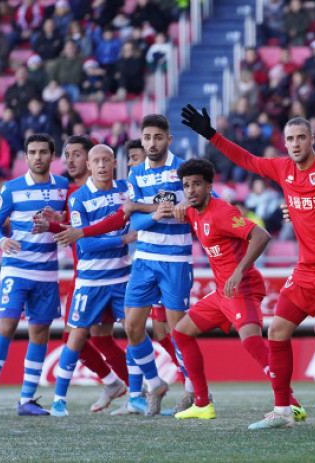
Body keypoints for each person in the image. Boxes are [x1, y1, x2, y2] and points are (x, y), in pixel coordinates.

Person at [181, 105, 315, 430]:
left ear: (313, 139)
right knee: (276, 331)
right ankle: (283, 410)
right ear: (285, 143)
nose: (296, 143)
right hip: (306, 268)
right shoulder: (281, 168)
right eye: (291, 139)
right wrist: (211, 135)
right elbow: (246, 160)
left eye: (302, 137)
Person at [171, 159, 305, 421]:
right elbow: (176, 207)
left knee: (252, 341)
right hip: (222, 293)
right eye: (186, 186)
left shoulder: (222, 212)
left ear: (210, 187)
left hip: (241, 287)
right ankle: (201, 403)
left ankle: (292, 403)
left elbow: (261, 235)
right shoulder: (193, 210)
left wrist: (239, 270)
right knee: (181, 332)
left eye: (197, 184)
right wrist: (179, 204)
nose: (191, 190)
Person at [34, 135, 132, 413]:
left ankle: (134, 388)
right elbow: (77, 231)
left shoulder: (116, 189)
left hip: (112, 272)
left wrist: (60, 224)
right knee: (79, 337)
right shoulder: (70, 193)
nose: (70, 160)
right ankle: (116, 382)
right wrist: (53, 224)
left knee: (108, 335)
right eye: (67, 155)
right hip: (87, 274)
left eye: (76, 154)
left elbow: (84, 230)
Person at [0, 133, 68, 416]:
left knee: (40, 332)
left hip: (47, 272)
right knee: (7, 325)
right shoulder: (11, 189)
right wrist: (1, 241)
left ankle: (27, 400)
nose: (37, 157)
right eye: (32, 152)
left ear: (52, 156)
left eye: (42, 152)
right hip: (16, 268)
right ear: (25, 157)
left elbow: (72, 221)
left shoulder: (64, 188)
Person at [124, 114, 195, 416]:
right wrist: (153, 212)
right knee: (132, 327)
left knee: (178, 331)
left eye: (158, 137)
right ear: (142, 140)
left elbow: (201, 203)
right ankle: (155, 383)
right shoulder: (135, 174)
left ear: (169, 139)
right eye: (147, 138)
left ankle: (194, 390)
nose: (152, 143)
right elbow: (133, 218)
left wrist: (144, 207)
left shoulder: (183, 170)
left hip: (176, 261)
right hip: (144, 260)